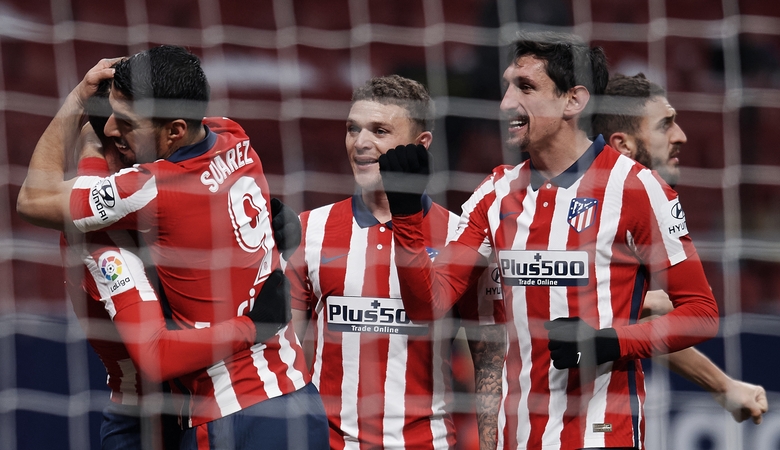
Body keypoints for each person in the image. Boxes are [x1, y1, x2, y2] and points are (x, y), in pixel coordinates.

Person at [378, 31, 720, 449]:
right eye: (507, 86)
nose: (506, 103)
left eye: (525, 87)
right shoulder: (495, 192)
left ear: (573, 100)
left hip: (602, 435)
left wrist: (608, 343)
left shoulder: (636, 187)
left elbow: (701, 312)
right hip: (515, 437)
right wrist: (408, 213)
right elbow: (427, 305)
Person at [17, 46, 328, 449]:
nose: (113, 130)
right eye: (109, 118)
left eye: (127, 124)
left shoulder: (142, 192)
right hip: (297, 395)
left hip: (227, 415)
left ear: (175, 131)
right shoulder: (233, 135)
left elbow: (31, 200)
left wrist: (77, 102)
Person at [285, 75, 506, 450]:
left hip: (428, 442)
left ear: (421, 145)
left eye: (380, 130)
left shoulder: (462, 235)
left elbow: (489, 362)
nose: (361, 143)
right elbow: (287, 355)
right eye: (353, 129)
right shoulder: (310, 229)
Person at [593, 72, 768, 424]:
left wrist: (722, 386)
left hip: (598, 417)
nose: (682, 136)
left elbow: (612, 324)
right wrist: (640, 302)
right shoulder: (577, 204)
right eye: (665, 125)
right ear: (623, 144)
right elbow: (549, 305)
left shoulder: (636, 203)